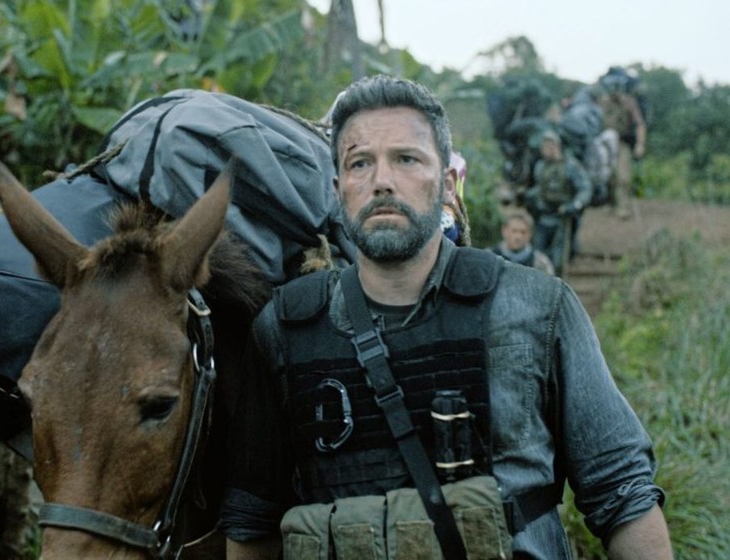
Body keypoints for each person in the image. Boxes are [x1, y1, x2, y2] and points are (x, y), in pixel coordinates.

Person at [220, 75, 672, 560]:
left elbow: (622, 493)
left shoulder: (538, 308)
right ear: (338, 190)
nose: (382, 180)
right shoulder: (285, 330)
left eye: (407, 159)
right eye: (360, 163)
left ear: (448, 184)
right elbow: (253, 523)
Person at [523, 129, 592, 276]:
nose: (545, 150)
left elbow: (585, 188)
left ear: (556, 146)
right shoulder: (540, 166)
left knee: (559, 258)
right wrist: (528, 197)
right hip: (543, 216)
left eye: (548, 145)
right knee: (538, 256)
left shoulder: (571, 166)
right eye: (543, 146)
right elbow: (540, 188)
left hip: (562, 216)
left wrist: (575, 205)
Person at [597, 67, 647, 219]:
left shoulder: (629, 102)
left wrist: (640, 144)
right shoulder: (602, 102)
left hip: (622, 142)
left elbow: (640, 124)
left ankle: (623, 207)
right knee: (608, 175)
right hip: (604, 143)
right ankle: (610, 203)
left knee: (623, 176)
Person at [491, 211, 555, 275]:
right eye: (514, 231)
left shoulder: (540, 263)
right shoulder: (490, 258)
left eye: (523, 232)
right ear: (504, 231)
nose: (518, 236)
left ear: (530, 234)